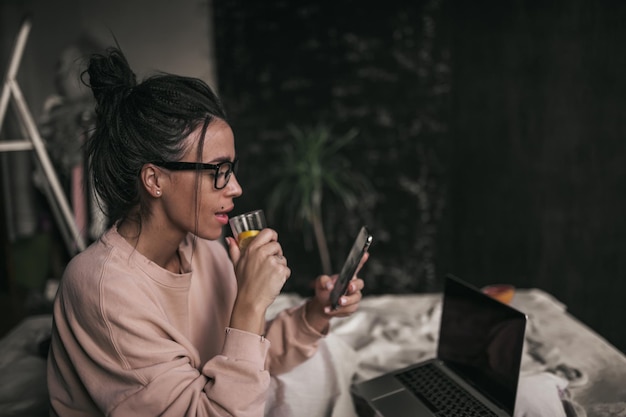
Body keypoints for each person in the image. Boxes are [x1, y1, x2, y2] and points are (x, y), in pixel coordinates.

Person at [46, 47, 367, 417]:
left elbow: (242, 360)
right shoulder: (101, 287)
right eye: (218, 171)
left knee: (327, 359)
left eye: (231, 169)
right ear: (154, 180)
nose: (236, 188)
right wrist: (248, 302)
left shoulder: (203, 248)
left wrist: (314, 313)